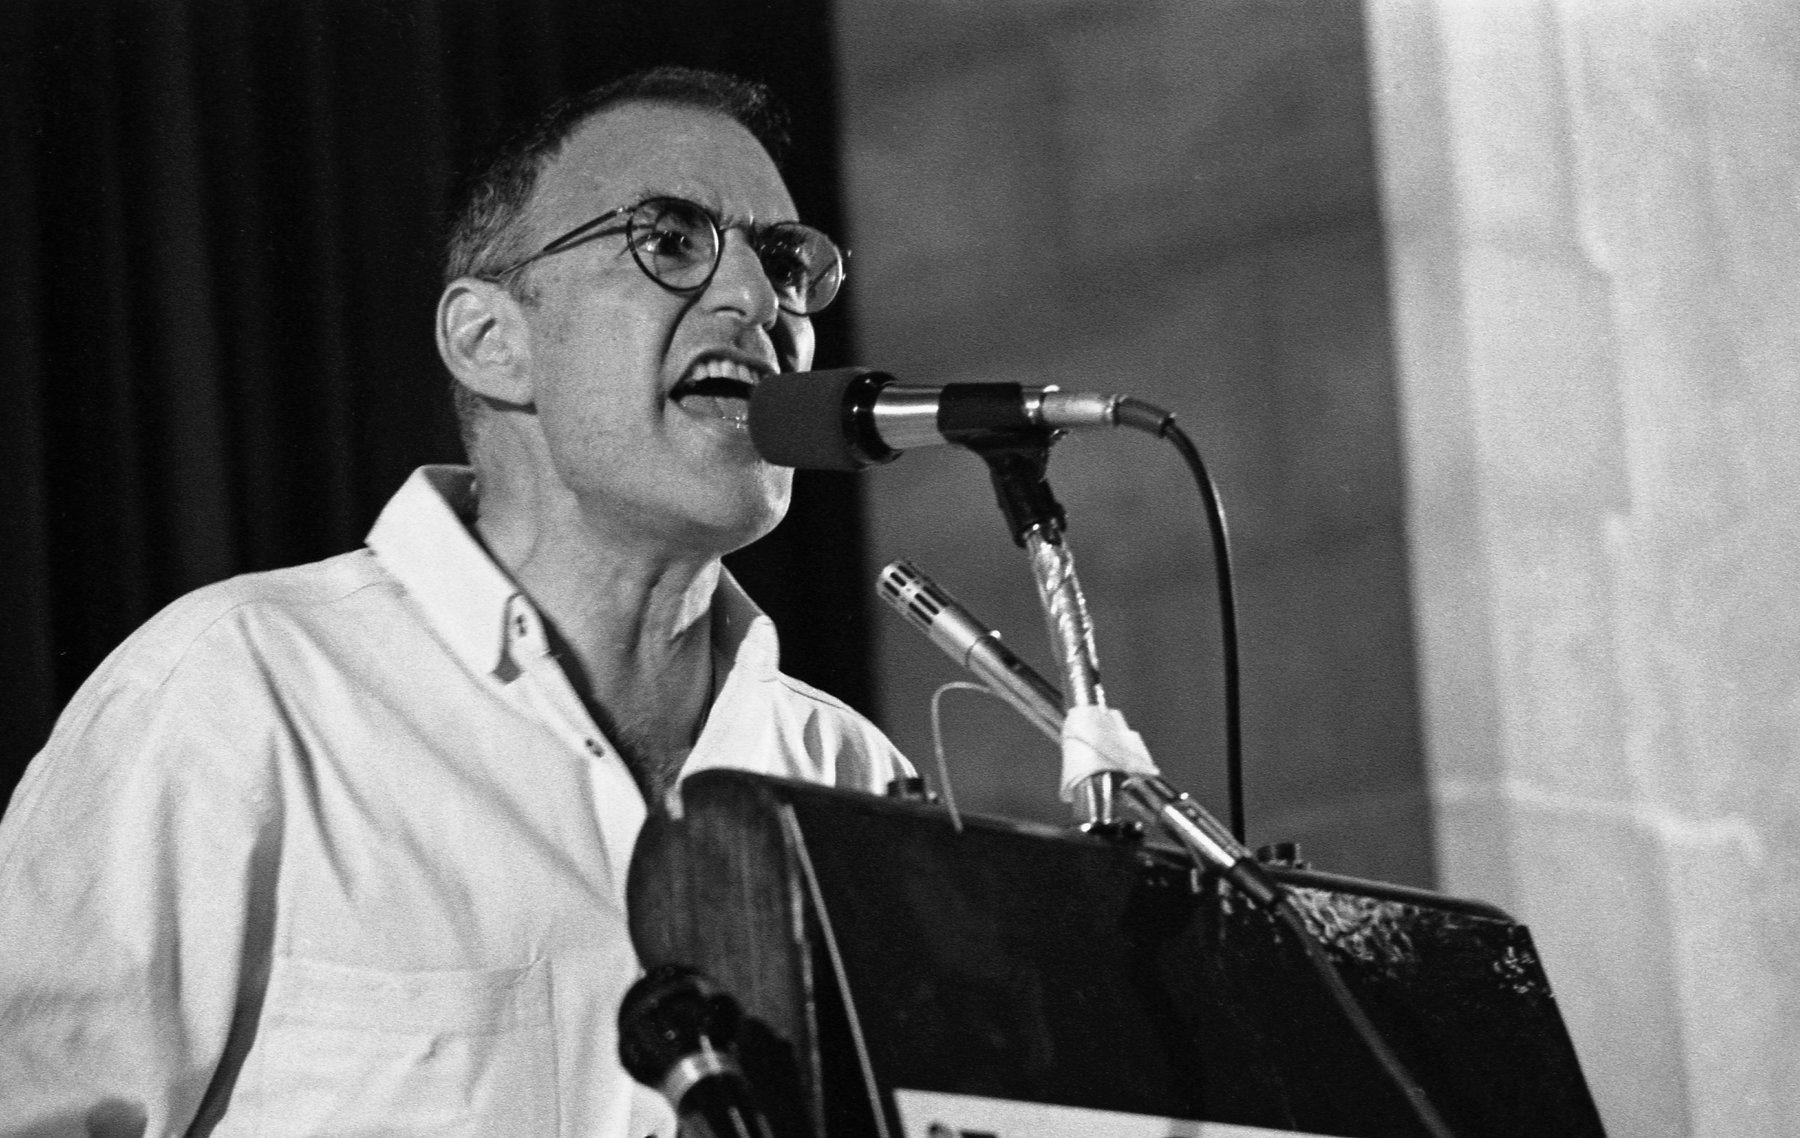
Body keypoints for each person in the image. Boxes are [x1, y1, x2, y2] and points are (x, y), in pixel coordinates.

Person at [0, 66, 911, 1136]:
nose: (758, 301)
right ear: (490, 341)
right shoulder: (239, 699)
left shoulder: (852, 780)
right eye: (671, 240)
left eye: (788, 261)